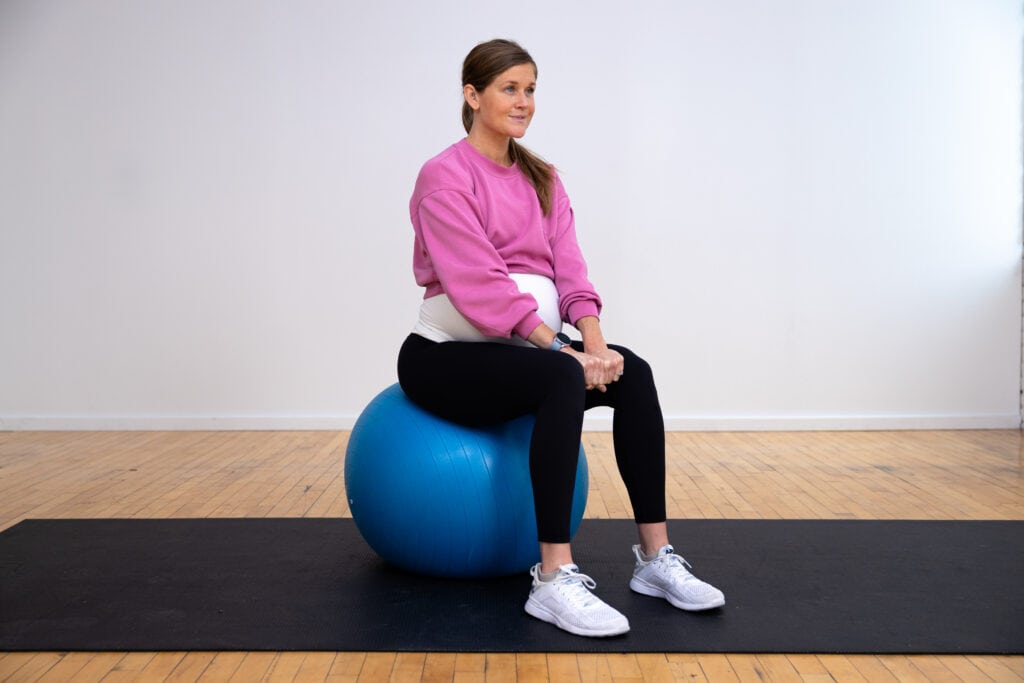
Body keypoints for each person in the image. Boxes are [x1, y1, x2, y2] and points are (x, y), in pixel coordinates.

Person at [398, 38, 724, 638]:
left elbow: (571, 271)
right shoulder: (443, 176)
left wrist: (595, 346)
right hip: (447, 360)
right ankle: (552, 578)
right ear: (472, 95)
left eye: (530, 90)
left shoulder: (542, 178)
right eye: (509, 89)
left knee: (635, 371)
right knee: (558, 377)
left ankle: (655, 560)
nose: (523, 102)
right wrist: (561, 350)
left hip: (528, 350)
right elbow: (480, 285)